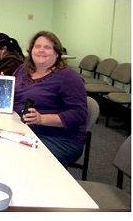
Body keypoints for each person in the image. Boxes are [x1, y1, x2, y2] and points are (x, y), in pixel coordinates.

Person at [13, 31, 87, 167]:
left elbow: (79, 114)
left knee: (13, 154)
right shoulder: (23, 70)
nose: (41, 50)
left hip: (60, 139)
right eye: (37, 46)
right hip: (24, 129)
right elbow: (14, 94)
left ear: (57, 53)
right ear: (31, 50)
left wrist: (42, 119)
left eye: (47, 47)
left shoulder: (69, 77)